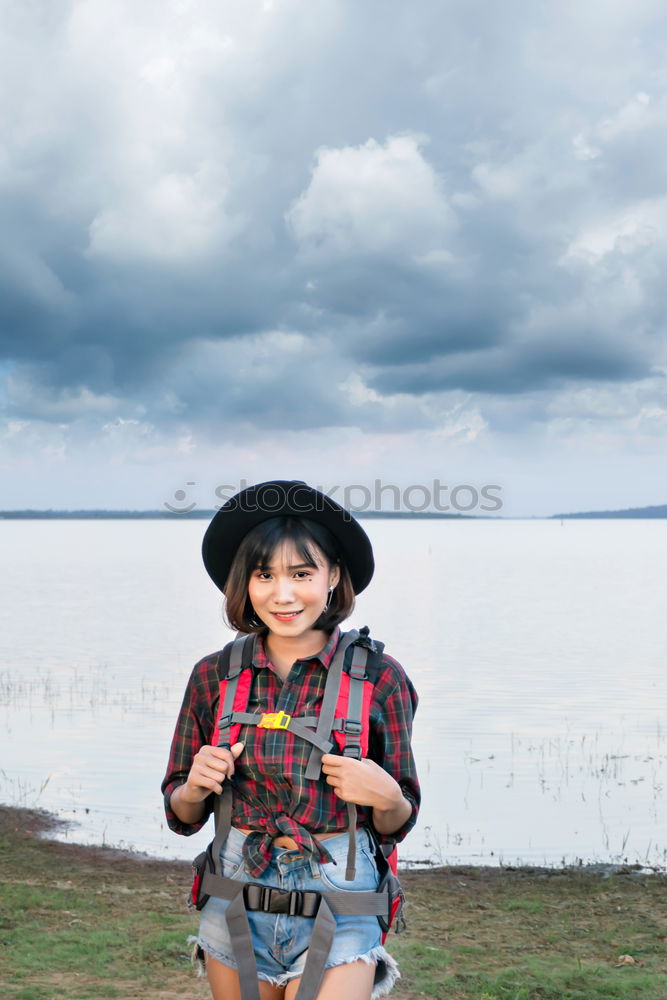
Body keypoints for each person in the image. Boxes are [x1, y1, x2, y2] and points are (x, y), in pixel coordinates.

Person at [162, 480, 420, 1000]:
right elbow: (181, 814)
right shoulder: (213, 675)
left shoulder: (379, 678)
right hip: (234, 889)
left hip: (341, 897)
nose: (283, 594)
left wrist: (387, 796)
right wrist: (194, 788)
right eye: (264, 575)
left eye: (302, 573)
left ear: (333, 577)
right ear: (245, 584)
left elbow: (399, 819)